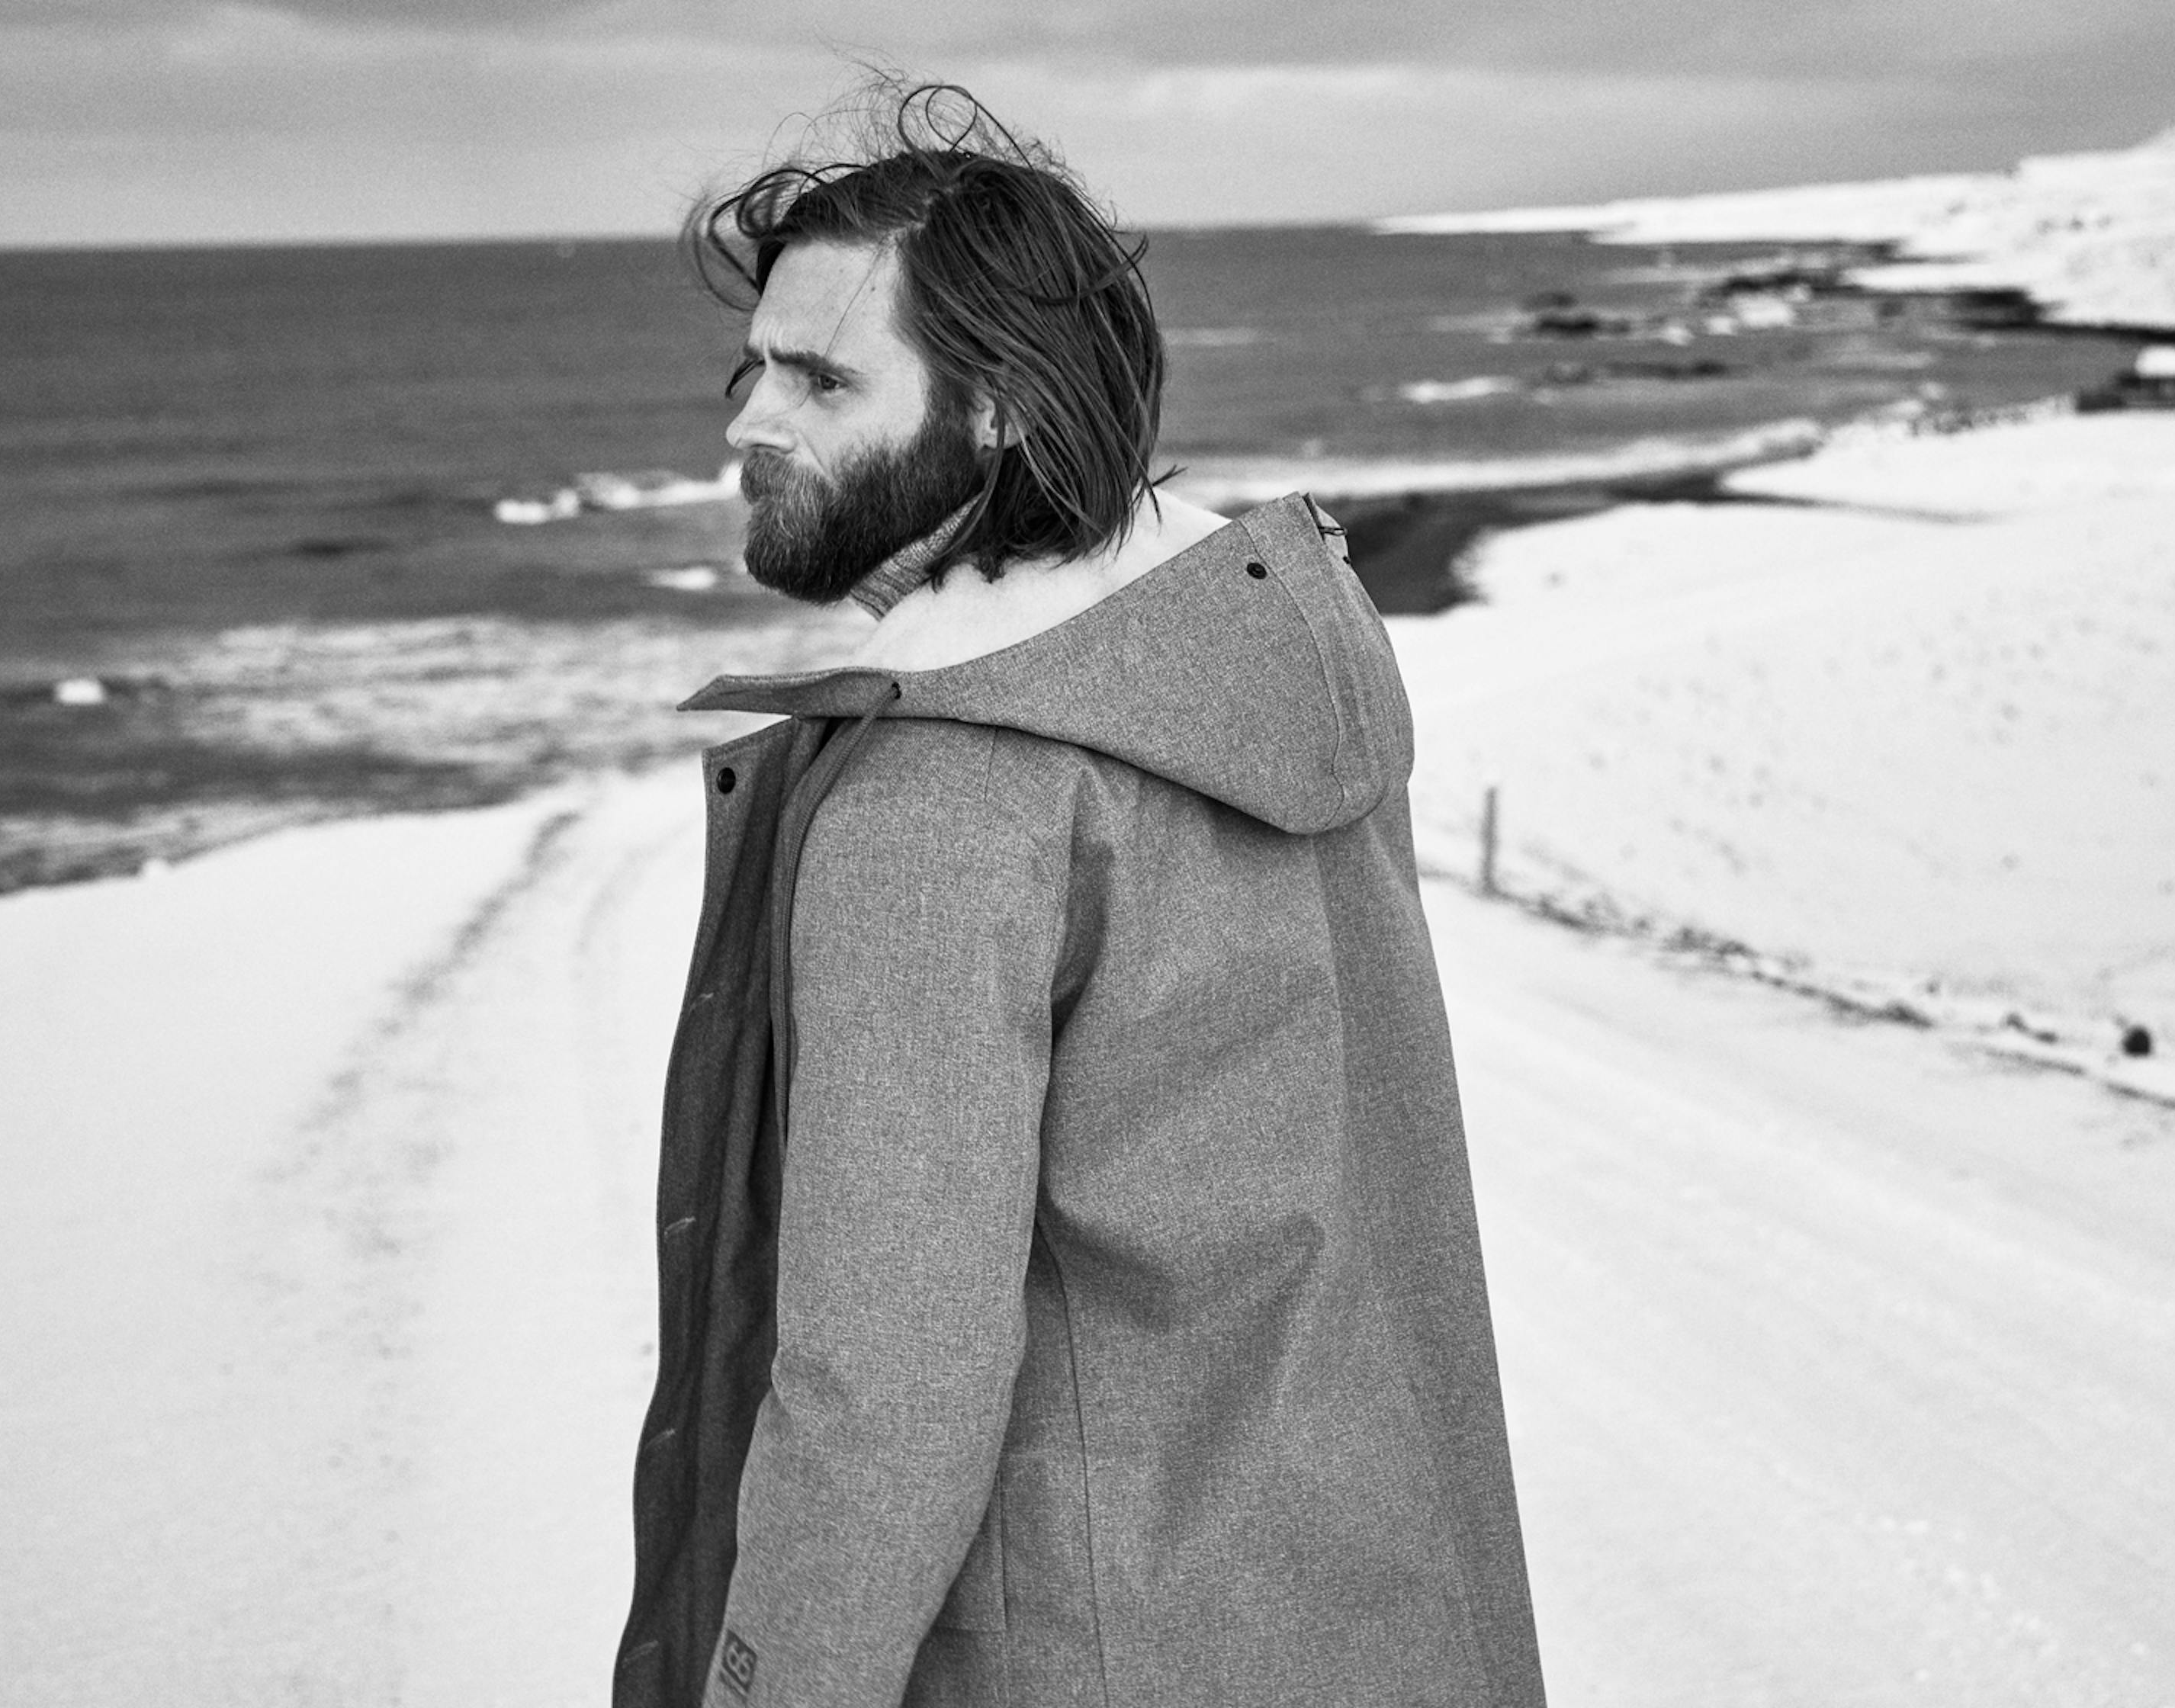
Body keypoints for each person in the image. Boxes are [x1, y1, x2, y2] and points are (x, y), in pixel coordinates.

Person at [615, 82, 1545, 1708]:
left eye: (823, 378)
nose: (749, 422)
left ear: (995, 412)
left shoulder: (940, 799)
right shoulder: (1270, 662)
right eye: (752, 366)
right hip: (1382, 1616)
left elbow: (881, 1394)